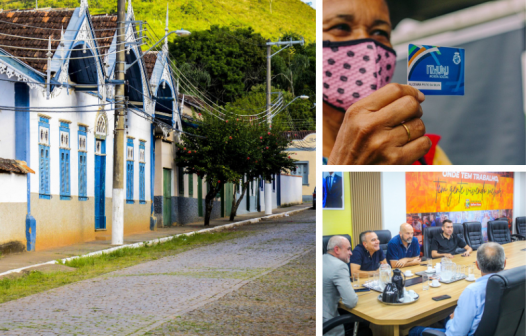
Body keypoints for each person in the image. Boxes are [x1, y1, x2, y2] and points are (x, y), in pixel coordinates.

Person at [322, 0, 451, 165]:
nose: (368, 45)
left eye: (379, 32)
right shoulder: (292, 155)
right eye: (341, 27)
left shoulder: (424, 154)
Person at [409, 242, 507, 336]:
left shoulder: (473, 291)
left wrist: (453, 320)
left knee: (414, 331)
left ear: (477, 265)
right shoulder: (514, 282)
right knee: (448, 319)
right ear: (505, 263)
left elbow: (456, 334)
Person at [323, 236, 358, 336]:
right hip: (327, 323)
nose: (351, 253)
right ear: (337, 249)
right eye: (348, 249)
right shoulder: (340, 266)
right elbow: (351, 302)